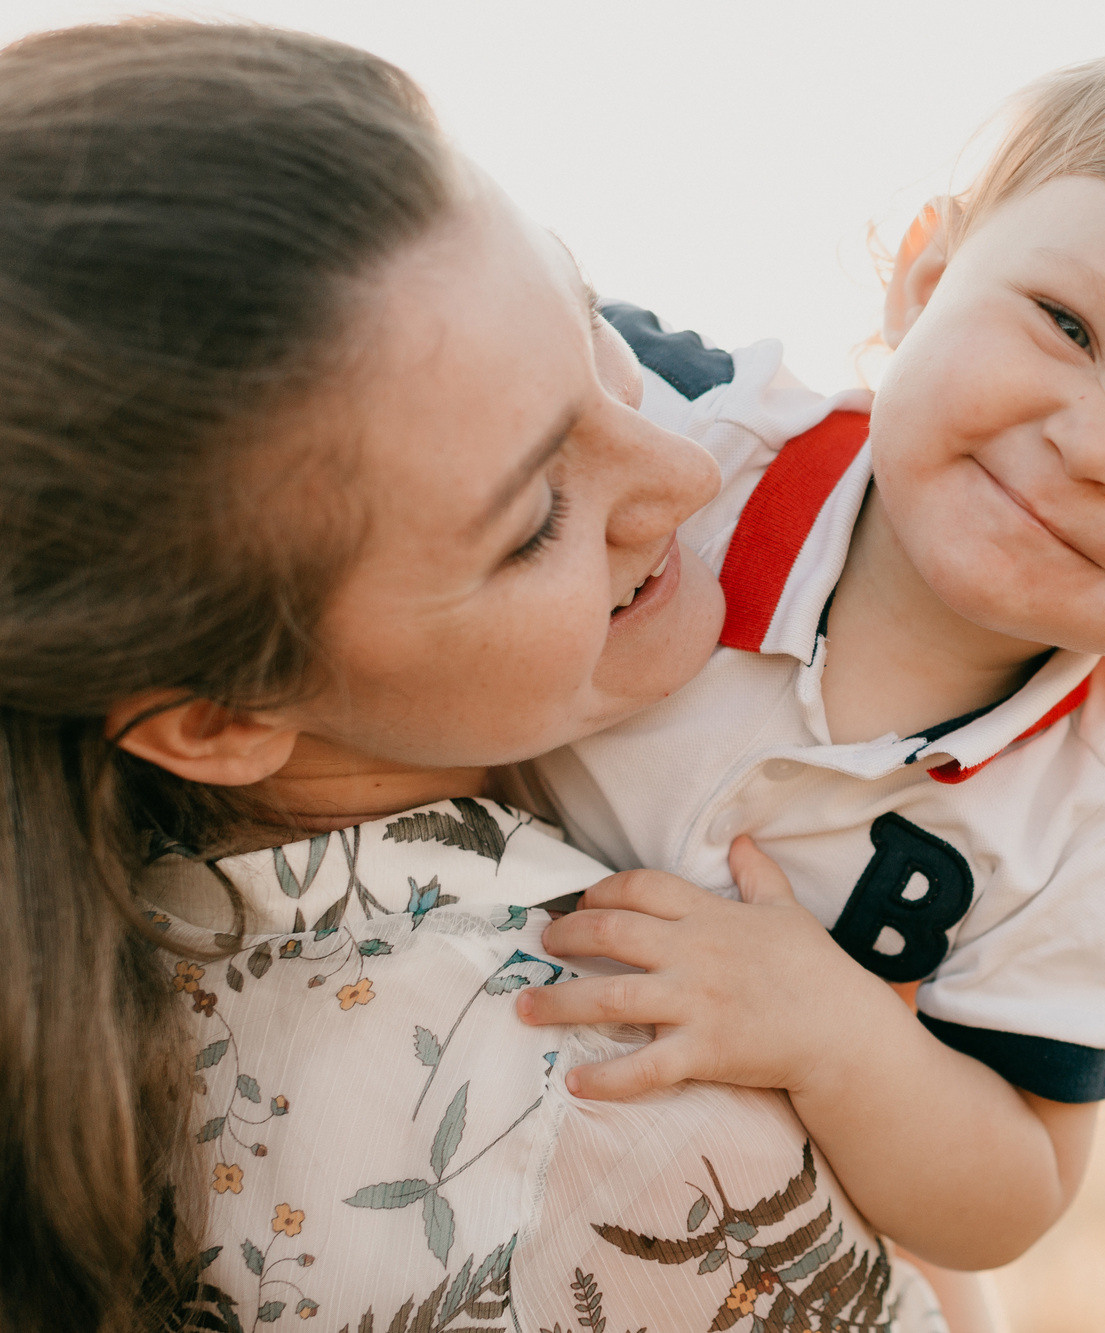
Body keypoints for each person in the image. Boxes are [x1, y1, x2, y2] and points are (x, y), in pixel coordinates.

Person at [0, 21, 940, 1333]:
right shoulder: (625, 1105)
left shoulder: (100, 969)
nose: (683, 469)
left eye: (589, 321)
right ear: (218, 717)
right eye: (535, 516)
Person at [510, 36, 1105, 1279]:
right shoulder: (679, 437)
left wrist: (834, 1036)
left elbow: (1014, 1189)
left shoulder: (1084, 805)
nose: (1094, 444)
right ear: (925, 276)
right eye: (1066, 325)